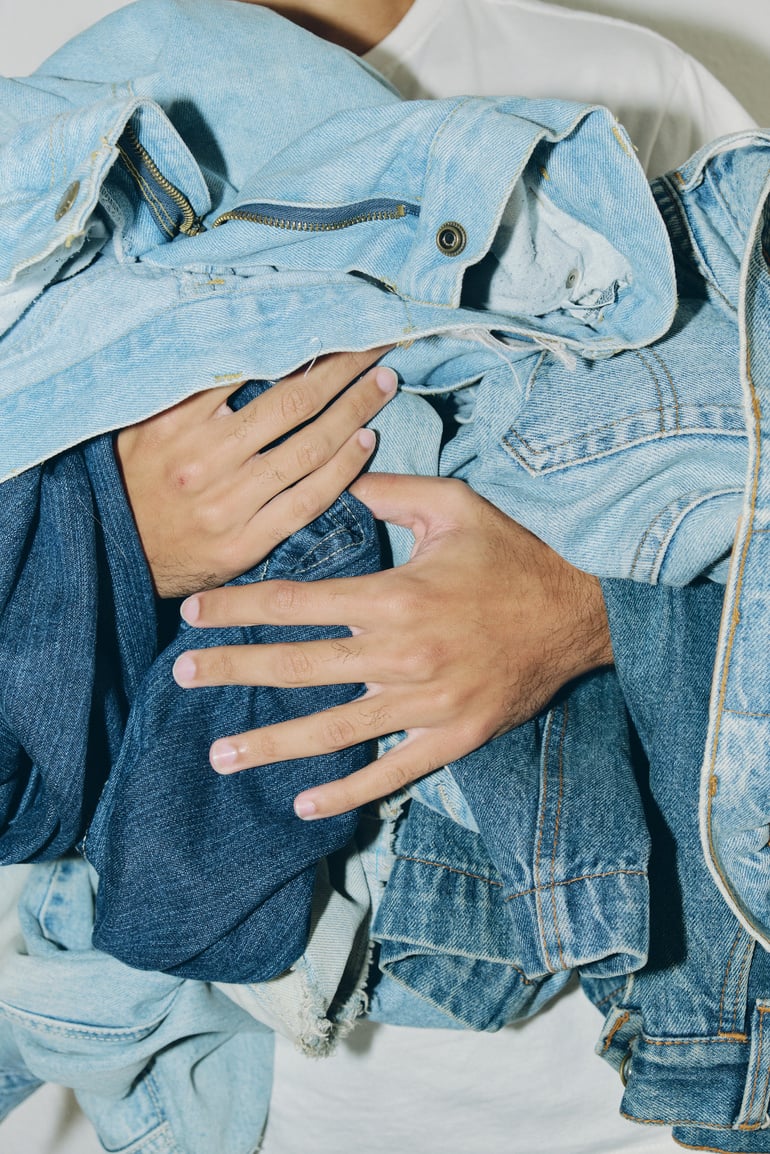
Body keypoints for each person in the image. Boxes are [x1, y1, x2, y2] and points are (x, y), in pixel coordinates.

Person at [109, 3, 757, 1153]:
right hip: (246, 1093)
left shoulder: (624, 87)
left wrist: (587, 611)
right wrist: (116, 538)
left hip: (613, 1081)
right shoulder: (66, 128)